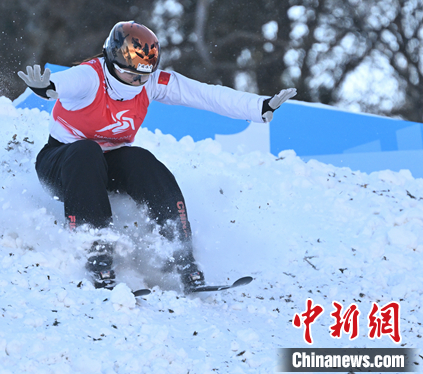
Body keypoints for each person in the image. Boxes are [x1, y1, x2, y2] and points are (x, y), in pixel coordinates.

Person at [18, 21, 296, 294]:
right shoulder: (91, 76)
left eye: (144, 76)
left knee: (143, 160)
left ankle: (183, 258)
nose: (138, 82)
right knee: (86, 150)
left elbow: (205, 95)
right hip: (64, 164)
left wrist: (258, 107)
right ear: (112, 61)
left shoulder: (152, 83)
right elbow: (65, 83)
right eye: (132, 75)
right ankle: (97, 255)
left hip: (108, 165)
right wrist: (47, 87)